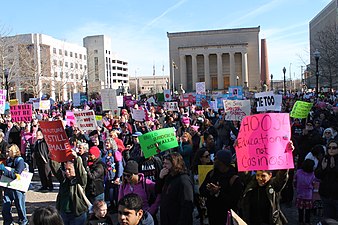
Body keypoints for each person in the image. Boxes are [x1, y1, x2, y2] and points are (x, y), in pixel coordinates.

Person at [199, 149, 243, 225]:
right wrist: (209, 189)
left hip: (227, 219)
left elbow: (233, 201)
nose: (213, 160)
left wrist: (218, 193)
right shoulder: (211, 174)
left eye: (216, 158)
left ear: (222, 162)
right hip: (212, 216)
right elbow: (201, 190)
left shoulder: (234, 179)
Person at [50, 154, 89, 225]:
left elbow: (81, 173)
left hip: (77, 214)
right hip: (63, 212)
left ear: (75, 170)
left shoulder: (79, 181)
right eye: (66, 169)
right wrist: (53, 157)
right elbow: (55, 169)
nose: (67, 172)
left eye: (69, 169)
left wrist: (77, 158)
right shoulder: (64, 180)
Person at [157, 152, 194, 225]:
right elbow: (157, 191)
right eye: (163, 163)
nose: (164, 166)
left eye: (167, 164)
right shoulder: (168, 177)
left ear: (175, 164)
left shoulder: (184, 180)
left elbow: (187, 207)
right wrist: (160, 178)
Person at [0, 144, 28, 225]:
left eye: (9, 151)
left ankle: (23, 222)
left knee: (20, 207)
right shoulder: (8, 160)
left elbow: (16, 175)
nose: (7, 153)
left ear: (14, 151)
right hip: (8, 187)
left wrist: (4, 169)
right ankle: (8, 222)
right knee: (5, 208)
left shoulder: (20, 160)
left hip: (17, 188)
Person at [315, 140, 338, 220]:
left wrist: (334, 168)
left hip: (336, 195)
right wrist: (323, 168)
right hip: (326, 194)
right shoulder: (324, 159)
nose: (331, 149)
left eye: (334, 148)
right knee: (328, 219)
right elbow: (317, 175)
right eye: (329, 147)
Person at [294, 159, 316, 225]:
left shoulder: (298, 172)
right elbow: (314, 183)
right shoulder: (312, 174)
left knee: (300, 210)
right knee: (308, 210)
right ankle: (307, 222)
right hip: (308, 195)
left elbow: (295, 181)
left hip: (299, 194)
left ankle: (300, 221)